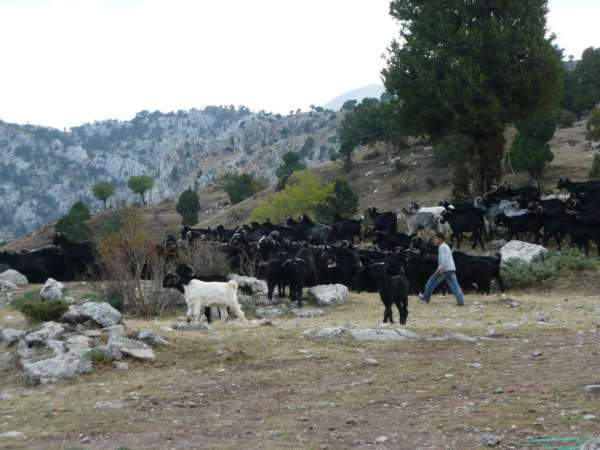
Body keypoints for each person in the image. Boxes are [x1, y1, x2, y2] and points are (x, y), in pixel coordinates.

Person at [418, 232, 465, 306]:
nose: (434, 240)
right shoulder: (446, 246)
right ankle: (461, 301)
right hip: (451, 268)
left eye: (436, 239)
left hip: (444, 269)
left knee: (431, 281)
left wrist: (440, 269)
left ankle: (426, 297)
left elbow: (444, 259)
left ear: (440, 239)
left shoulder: (442, 247)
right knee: (454, 285)